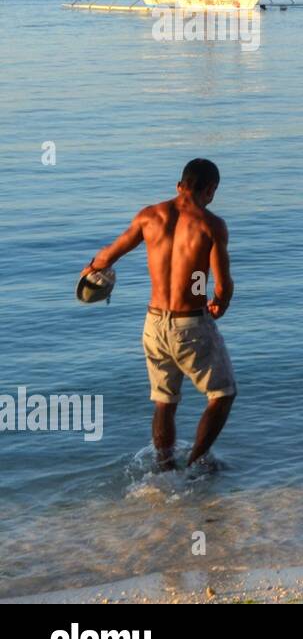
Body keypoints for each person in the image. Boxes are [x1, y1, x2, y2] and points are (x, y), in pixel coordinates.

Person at [82, 158, 236, 471]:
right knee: (222, 394)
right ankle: (195, 466)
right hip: (190, 323)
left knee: (164, 400)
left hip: (153, 323)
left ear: (179, 185)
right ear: (210, 189)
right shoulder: (211, 225)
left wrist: (92, 269)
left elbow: (108, 255)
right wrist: (220, 302)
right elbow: (222, 283)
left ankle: (164, 469)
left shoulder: (148, 217)